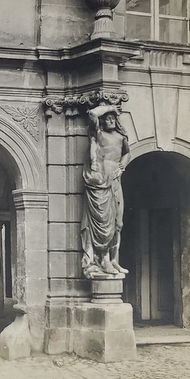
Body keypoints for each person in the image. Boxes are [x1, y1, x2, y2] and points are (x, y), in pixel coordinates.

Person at [80, 104, 131, 278]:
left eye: (113, 118)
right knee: (103, 221)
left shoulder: (120, 136)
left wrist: (122, 167)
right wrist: (111, 107)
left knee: (118, 222)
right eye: (107, 118)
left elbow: (127, 153)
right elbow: (93, 113)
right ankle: (104, 259)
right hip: (100, 178)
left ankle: (114, 259)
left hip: (114, 180)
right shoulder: (98, 133)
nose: (110, 121)